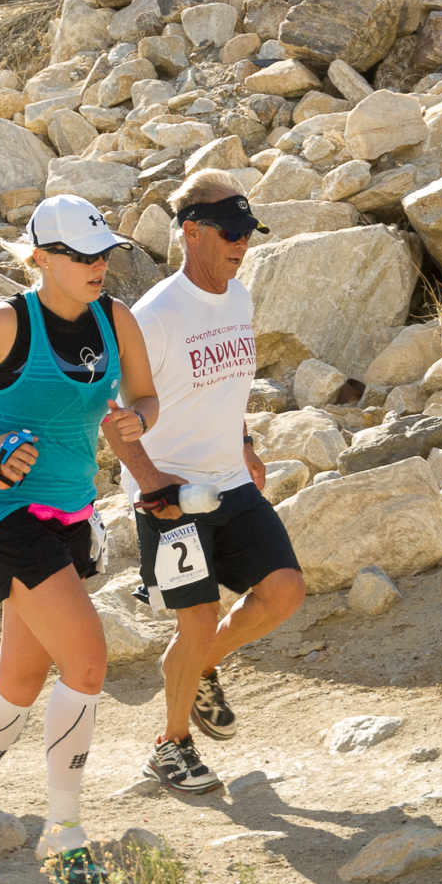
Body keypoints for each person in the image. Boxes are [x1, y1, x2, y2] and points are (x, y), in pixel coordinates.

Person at [0, 195, 165, 884]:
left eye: (102, 252)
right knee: (86, 662)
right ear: (40, 258)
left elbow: (144, 398)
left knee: (19, 679)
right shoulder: (5, 324)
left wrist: (135, 420)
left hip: (72, 513)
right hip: (5, 511)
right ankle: (65, 835)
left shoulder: (116, 320)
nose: (96, 265)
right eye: (79, 255)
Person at [125, 172, 305, 796]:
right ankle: (169, 746)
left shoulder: (238, 299)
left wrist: (247, 442)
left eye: (248, 233)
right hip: (170, 495)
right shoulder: (153, 317)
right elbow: (114, 418)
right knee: (195, 620)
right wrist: (152, 487)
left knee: (284, 592)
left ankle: (199, 669)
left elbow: (231, 386)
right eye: (230, 233)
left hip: (230, 481)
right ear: (191, 232)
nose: (242, 245)